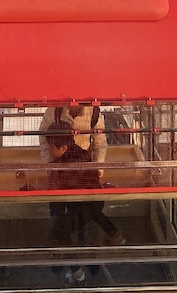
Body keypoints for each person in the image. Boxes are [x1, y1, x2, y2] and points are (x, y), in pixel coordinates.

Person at [45, 122, 124, 285]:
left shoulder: (62, 166)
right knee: (81, 220)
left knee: (61, 229)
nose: (51, 152)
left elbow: (59, 188)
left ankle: (76, 271)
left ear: (63, 148)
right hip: (93, 203)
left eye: (52, 147)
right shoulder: (83, 154)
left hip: (83, 205)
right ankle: (116, 235)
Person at [39, 105, 108, 176]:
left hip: (84, 166)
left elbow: (100, 143)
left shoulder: (94, 111)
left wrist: (98, 169)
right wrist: (49, 165)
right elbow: (44, 139)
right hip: (61, 168)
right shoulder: (53, 110)